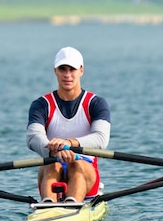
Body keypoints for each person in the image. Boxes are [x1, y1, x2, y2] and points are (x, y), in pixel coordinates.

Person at [26, 46, 111, 203]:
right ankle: (48, 209)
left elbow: (101, 139)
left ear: (81, 70)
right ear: (55, 71)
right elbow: (33, 138)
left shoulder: (96, 103)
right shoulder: (41, 105)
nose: (67, 75)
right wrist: (52, 150)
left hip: (85, 170)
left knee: (76, 164)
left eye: (72, 69)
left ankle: (72, 205)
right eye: (62, 69)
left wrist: (68, 143)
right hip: (52, 164)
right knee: (52, 164)